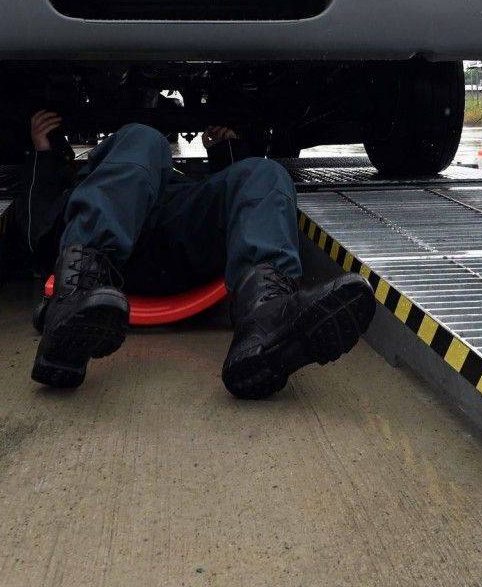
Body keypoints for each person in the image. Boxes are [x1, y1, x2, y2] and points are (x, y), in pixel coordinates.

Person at [19, 112, 375, 397]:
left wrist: (226, 151)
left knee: (264, 171)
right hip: (110, 259)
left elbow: (238, 212)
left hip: (178, 244)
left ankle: (263, 325)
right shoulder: (102, 179)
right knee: (144, 137)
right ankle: (74, 300)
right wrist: (43, 156)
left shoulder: (167, 178)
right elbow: (39, 233)